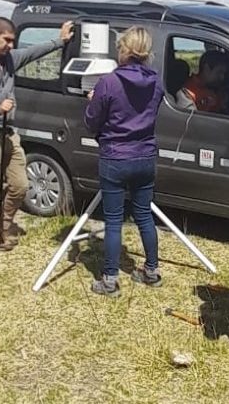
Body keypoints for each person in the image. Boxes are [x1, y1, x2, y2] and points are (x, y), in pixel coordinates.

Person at [0, 17, 74, 251]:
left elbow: (33, 53)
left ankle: (4, 223)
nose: (11, 45)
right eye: (7, 40)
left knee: (20, 185)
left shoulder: (10, 58)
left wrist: (59, 41)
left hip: (8, 132)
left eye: (13, 41)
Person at [84, 26, 165, 297]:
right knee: (144, 215)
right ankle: (151, 271)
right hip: (145, 155)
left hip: (115, 157)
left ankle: (109, 279)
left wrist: (92, 102)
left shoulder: (108, 82)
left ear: (124, 50)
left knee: (114, 220)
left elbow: (91, 121)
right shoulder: (157, 81)